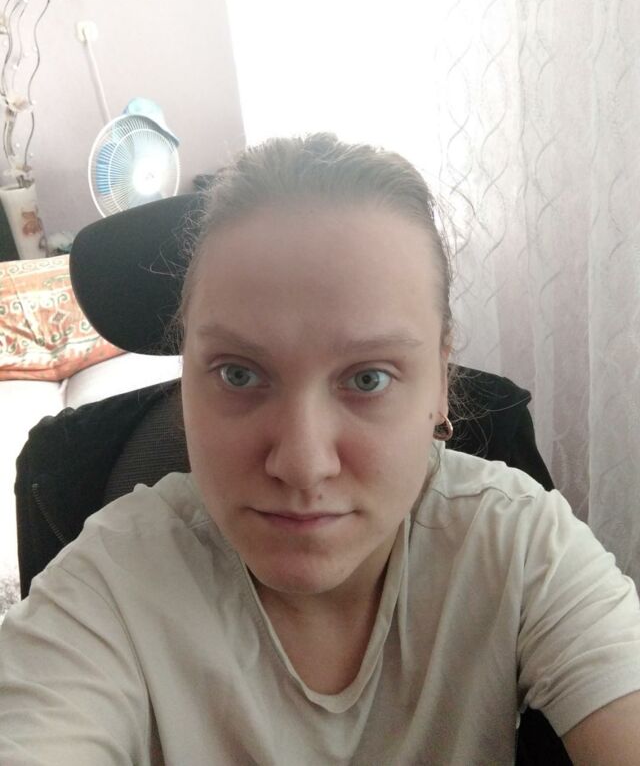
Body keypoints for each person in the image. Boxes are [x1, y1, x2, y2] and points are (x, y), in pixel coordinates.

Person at [1, 134, 640, 765]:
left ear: (440, 382)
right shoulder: (110, 588)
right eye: (238, 373)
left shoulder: (519, 546)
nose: (303, 466)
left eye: (369, 379)